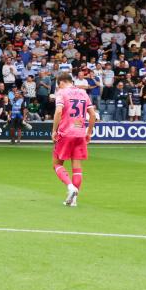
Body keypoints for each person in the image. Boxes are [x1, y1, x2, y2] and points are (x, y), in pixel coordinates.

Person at [52, 72, 97, 207]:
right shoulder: (83, 93)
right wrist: (88, 132)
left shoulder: (61, 93)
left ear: (61, 82)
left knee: (57, 164)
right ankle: (74, 200)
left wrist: (54, 130)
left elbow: (59, 111)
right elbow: (93, 114)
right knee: (76, 167)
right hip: (80, 133)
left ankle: (71, 187)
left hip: (66, 132)